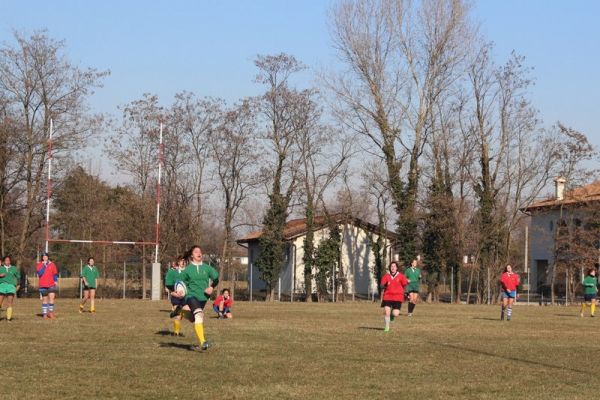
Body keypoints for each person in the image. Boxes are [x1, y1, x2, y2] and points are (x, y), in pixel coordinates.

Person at [172, 246, 219, 351]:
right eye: (196, 251)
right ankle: (203, 342)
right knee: (199, 315)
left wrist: (211, 287)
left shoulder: (207, 268)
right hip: (191, 296)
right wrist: (178, 291)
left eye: (200, 252)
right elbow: (179, 283)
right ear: (192, 255)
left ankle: (181, 311)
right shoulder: (187, 269)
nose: (199, 253)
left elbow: (216, 279)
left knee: (194, 318)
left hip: (203, 298)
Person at [380, 261, 409, 332]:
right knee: (387, 312)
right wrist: (382, 286)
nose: (393, 268)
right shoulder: (386, 276)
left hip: (398, 297)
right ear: (390, 268)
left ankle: (392, 316)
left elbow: (405, 284)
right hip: (388, 296)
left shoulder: (401, 276)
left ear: (397, 268)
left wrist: (407, 293)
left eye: (394, 266)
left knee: (395, 314)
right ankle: (387, 327)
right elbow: (382, 284)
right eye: (391, 266)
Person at [165, 256, 186, 336]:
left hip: (185, 296)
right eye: (181, 261)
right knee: (178, 314)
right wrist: (173, 292)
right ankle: (176, 332)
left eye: (184, 261)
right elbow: (169, 283)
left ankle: (174, 313)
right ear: (178, 262)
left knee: (181, 315)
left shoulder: (188, 272)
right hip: (175, 296)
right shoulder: (173, 272)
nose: (183, 262)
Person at [36, 252, 58, 319]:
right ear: (42, 258)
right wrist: (44, 266)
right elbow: (39, 274)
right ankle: (45, 314)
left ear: (48, 257)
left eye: (46, 256)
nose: (44, 258)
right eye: (43, 256)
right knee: (45, 300)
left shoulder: (52, 264)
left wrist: (55, 281)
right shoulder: (39, 264)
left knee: (52, 299)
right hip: (43, 285)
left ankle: (50, 313)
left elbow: (55, 274)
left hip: (51, 284)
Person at [0, 256, 20, 322]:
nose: (7, 261)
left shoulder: (14, 268)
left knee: (10, 303)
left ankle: (8, 319)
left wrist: (18, 285)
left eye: (8, 260)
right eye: (6, 260)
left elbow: (18, 277)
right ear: (3, 261)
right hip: (2, 286)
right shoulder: (1, 268)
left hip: (11, 286)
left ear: (10, 261)